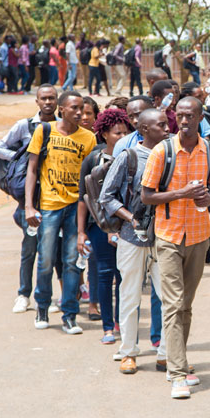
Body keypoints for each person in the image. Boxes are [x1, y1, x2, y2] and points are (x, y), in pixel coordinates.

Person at [141, 96, 210, 399]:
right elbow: (147, 196)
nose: (184, 121)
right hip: (169, 236)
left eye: (190, 115)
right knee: (173, 304)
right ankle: (177, 374)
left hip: (200, 236)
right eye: (180, 115)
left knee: (186, 305)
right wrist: (181, 194)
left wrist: (208, 199)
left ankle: (180, 361)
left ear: (201, 117)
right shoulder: (163, 151)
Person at [99, 108, 171, 374]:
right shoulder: (128, 157)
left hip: (165, 237)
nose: (167, 130)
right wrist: (131, 218)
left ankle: (165, 352)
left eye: (167, 125)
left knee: (167, 297)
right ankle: (128, 351)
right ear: (143, 129)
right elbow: (106, 197)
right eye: (161, 126)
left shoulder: (170, 153)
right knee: (130, 296)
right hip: (132, 238)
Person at [24, 90, 97, 333]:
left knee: (72, 261)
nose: (79, 112)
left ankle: (69, 313)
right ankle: (42, 306)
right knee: (45, 260)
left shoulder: (89, 139)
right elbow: (32, 170)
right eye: (74, 108)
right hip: (49, 206)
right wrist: (28, 206)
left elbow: (89, 178)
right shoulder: (44, 131)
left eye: (81, 108)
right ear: (62, 109)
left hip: (76, 207)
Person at [0, 84, 59, 313]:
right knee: (29, 248)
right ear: (37, 101)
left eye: (52, 98)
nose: (48, 102)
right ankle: (23, 294)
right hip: (29, 199)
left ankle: (48, 296)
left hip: (54, 198)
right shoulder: (24, 126)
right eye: (44, 98)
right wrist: (21, 158)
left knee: (51, 250)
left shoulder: (62, 126)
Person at [77, 108, 132, 343]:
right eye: (116, 133)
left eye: (125, 132)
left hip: (127, 226)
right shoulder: (93, 159)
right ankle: (107, 327)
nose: (121, 137)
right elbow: (82, 198)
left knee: (124, 276)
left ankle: (121, 322)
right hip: (98, 225)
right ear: (104, 134)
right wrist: (80, 232)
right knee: (104, 272)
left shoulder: (132, 157)